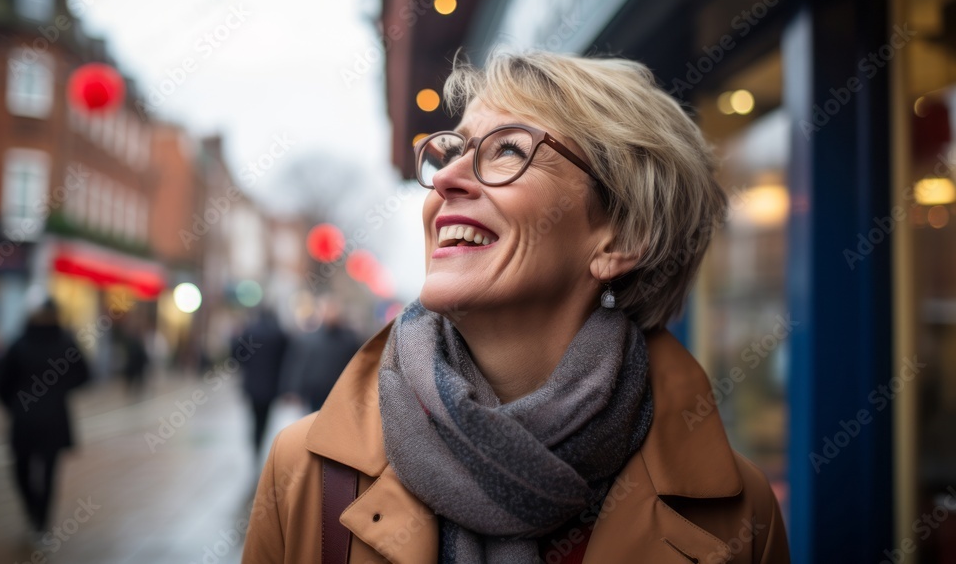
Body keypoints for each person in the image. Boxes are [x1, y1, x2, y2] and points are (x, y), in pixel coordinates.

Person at [242, 52, 791, 563]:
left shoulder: (740, 518)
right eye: (452, 151)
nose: (447, 180)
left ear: (621, 238)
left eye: (507, 149)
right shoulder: (305, 474)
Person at [0, 299, 90, 540]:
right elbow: (85, 375)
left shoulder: (19, 343)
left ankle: (33, 514)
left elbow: (3, 382)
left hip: (24, 417)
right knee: (48, 473)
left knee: (21, 469)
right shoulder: (66, 343)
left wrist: (15, 405)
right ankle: (42, 523)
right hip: (55, 417)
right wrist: (60, 391)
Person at [232, 307, 291, 459]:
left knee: (254, 419)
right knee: (265, 420)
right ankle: (260, 444)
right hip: (271, 386)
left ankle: (256, 447)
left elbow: (237, 354)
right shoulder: (278, 334)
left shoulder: (250, 331)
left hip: (252, 385)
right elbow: (286, 358)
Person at [290, 301, 362, 413]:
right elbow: (302, 364)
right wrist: (296, 389)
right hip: (315, 391)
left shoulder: (349, 339)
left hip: (337, 391)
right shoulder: (311, 338)